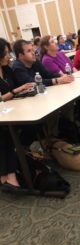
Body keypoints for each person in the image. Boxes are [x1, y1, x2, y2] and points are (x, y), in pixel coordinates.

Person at [0, 38, 34, 189]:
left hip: (12, 110)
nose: (9, 57)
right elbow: (6, 95)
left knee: (33, 124)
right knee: (4, 132)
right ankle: (7, 175)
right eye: (6, 53)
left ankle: (12, 169)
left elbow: (17, 87)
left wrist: (24, 89)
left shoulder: (7, 69)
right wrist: (14, 92)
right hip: (3, 114)